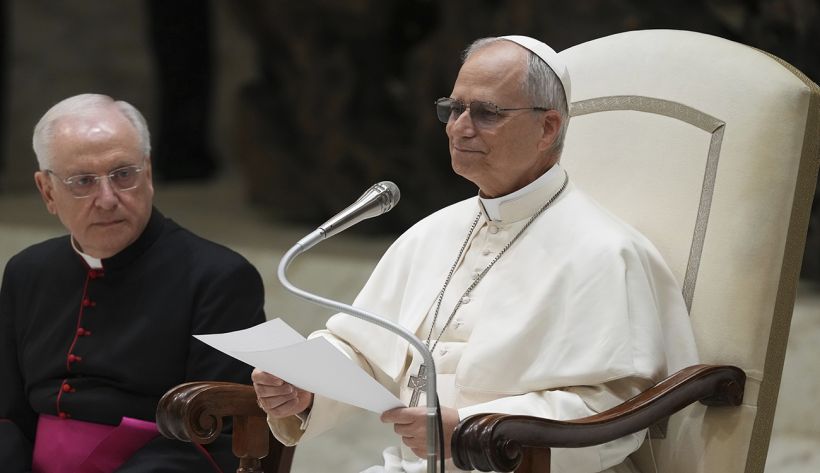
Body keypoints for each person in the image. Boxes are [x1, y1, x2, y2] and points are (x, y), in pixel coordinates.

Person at [252, 36, 698, 473]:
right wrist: (304, 387)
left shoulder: (604, 253)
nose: (459, 128)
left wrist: (473, 432)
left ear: (547, 128)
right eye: (454, 109)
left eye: (487, 113)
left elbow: (613, 411)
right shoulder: (432, 233)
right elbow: (364, 350)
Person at [0, 94, 266, 472]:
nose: (107, 199)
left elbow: (219, 435)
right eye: (83, 181)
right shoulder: (27, 272)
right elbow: (7, 413)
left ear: (149, 173)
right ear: (47, 192)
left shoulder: (219, 278)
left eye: (124, 174)